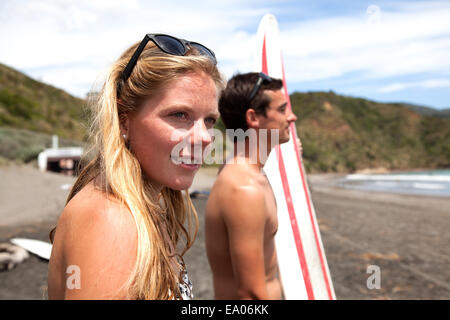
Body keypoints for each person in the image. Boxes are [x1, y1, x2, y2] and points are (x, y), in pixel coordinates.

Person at [47, 33, 224, 299]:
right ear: (124, 120)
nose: (205, 137)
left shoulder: (144, 207)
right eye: (179, 114)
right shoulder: (112, 221)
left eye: (209, 120)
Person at [205, 72, 298, 299]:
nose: (292, 116)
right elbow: (250, 294)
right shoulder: (244, 189)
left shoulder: (245, 172)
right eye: (282, 109)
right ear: (253, 118)